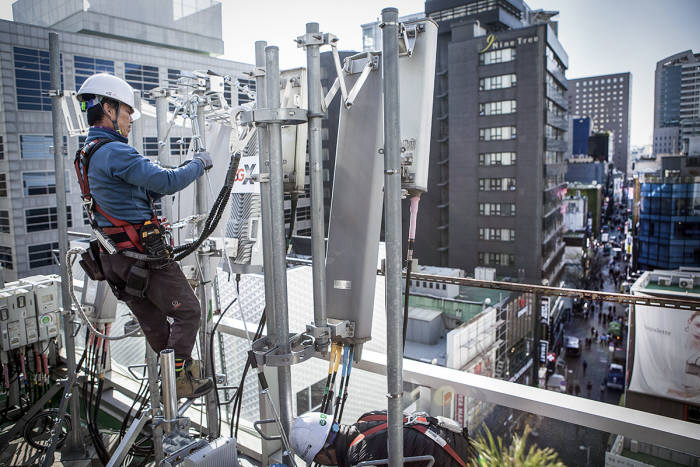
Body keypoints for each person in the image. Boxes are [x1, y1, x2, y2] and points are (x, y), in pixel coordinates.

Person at [76, 73, 213, 399]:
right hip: (143, 256)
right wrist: (199, 163)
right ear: (108, 108)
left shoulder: (86, 152)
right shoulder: (114, 152)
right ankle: (178, 380)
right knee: (189, 311)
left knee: (155, 324)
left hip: (115, 260)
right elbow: (166, 181)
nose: (130, 120)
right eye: (127, 113)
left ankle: (175, 379)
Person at [290, 411, 474, 467]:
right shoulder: (367, 418)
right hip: (460, 444)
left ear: (321, 453)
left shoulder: (360, 462)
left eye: (316, 460)